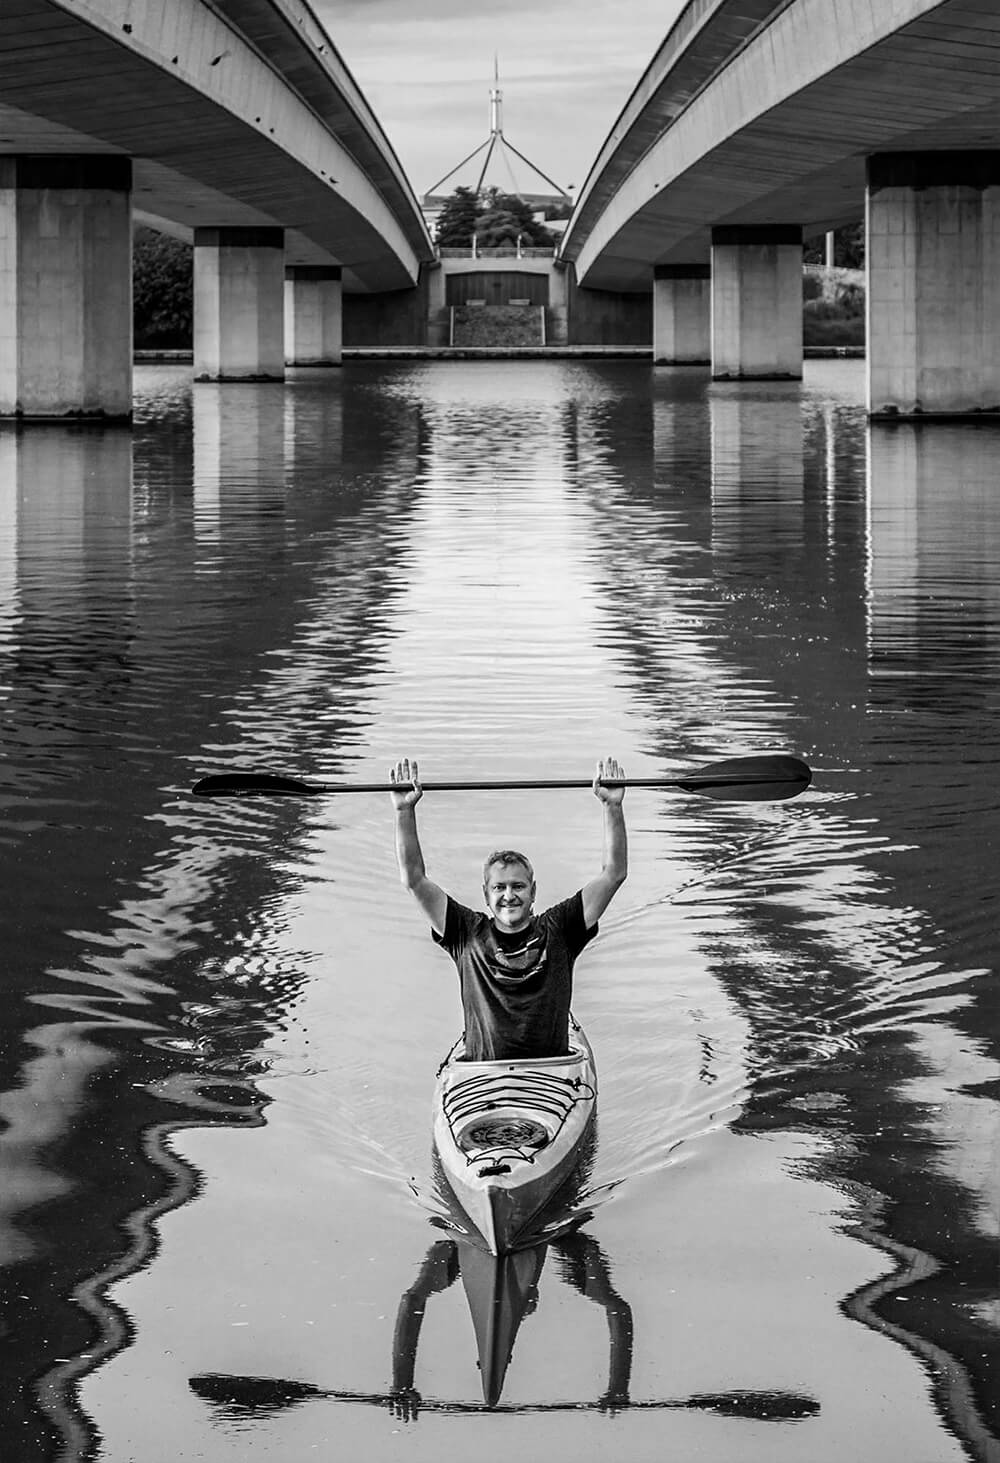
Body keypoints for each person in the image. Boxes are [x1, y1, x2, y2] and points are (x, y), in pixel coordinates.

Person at [389, 756, 627, 1060]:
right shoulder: (466, 932)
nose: (509, 895)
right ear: (486, 895)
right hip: (480, 1080)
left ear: (533, 892)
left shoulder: (560, 929)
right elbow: (414, 879)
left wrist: (612, 807)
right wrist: (403, 810)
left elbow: (614, 874)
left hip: (552, 1076)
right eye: (499, 887)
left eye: (518, 886)